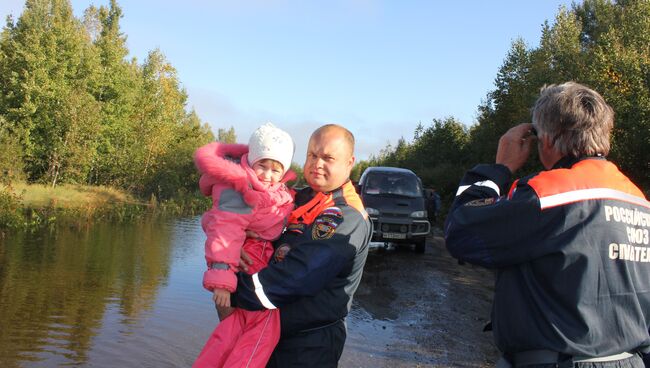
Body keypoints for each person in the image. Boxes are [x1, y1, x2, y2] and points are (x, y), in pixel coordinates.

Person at [445, 82, 650, 368]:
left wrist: (498, 169)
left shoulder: (547, 195)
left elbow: (460, 231)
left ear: (549, 140)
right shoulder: (637, 200)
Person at [227, 124, 372, 367]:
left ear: (350, 162)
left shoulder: (345, 215)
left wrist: (231, 290)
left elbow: (296, 277)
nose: (317, 163)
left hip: (308, 345)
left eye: (328, 157)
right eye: (312, 155)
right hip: (269, 330)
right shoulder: (298, 198)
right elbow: (235, 220)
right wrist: (235, 244)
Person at [192, 123, 296, 368]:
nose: (267, 175)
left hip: (256, 257)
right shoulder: (240, 188)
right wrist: (222, 282)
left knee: (233, 327)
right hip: (247, 259)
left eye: (275, 169)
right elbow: (225, 230)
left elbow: (214, 218)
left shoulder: (276, 190)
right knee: (265, 323)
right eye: (262, 166)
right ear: (250, 161)